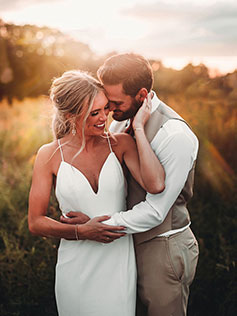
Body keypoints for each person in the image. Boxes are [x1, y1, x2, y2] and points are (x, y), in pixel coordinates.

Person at [63, 53, 200, 316]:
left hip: (162, 248)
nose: (109, 110)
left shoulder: (174, 135)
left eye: (115, 102)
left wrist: (95, 227)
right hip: (124, 244)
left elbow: (156, 211)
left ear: (141, 94)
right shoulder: (119, 118)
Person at [28, 70, 165, 316]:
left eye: (105, 108)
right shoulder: (48, 154)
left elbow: (155, 185)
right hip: (76, 264)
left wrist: (139, 130)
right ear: (71, 115)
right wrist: (81, 231)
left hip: (117, 261)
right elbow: (35, 222)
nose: (104, 118)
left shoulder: (121, 143)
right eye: (94, 113)